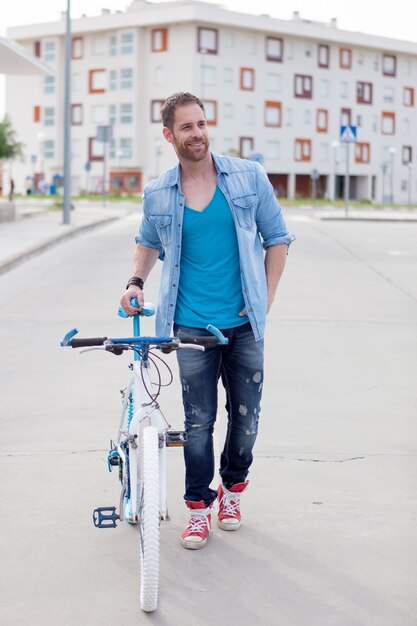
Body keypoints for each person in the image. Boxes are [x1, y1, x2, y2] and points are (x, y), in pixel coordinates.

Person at [120, 92, 295, 550]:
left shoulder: (248, 177)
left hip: (242, 326)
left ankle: (232, 493)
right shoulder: (159, 190)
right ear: (168, 135)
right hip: (191, 326)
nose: (197, 133)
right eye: (186, 127)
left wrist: (267, 296)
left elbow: (277, 238)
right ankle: (197, 507)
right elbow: (147, 241)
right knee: (198, 424)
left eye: (201, 124)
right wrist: (135, 281)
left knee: (246, 420)